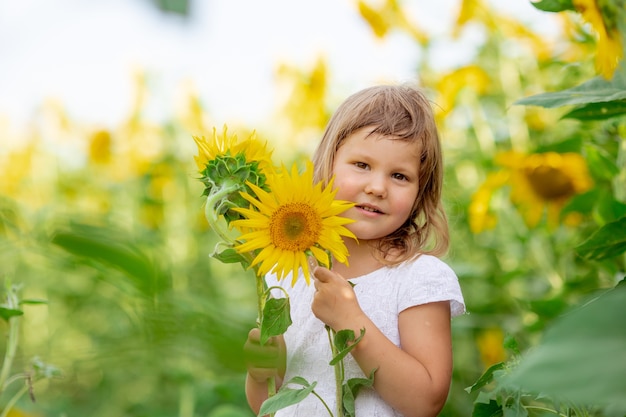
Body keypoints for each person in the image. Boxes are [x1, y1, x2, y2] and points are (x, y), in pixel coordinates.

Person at [244, 84, 465, 417]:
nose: (377, 187)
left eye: (400, 176)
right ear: (328, 163)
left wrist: (352, 323)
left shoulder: (419, 278)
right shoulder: (287, 272)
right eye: (362, 165)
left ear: (421, 191)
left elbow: (426, 402)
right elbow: (268, 404)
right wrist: (260, 371)